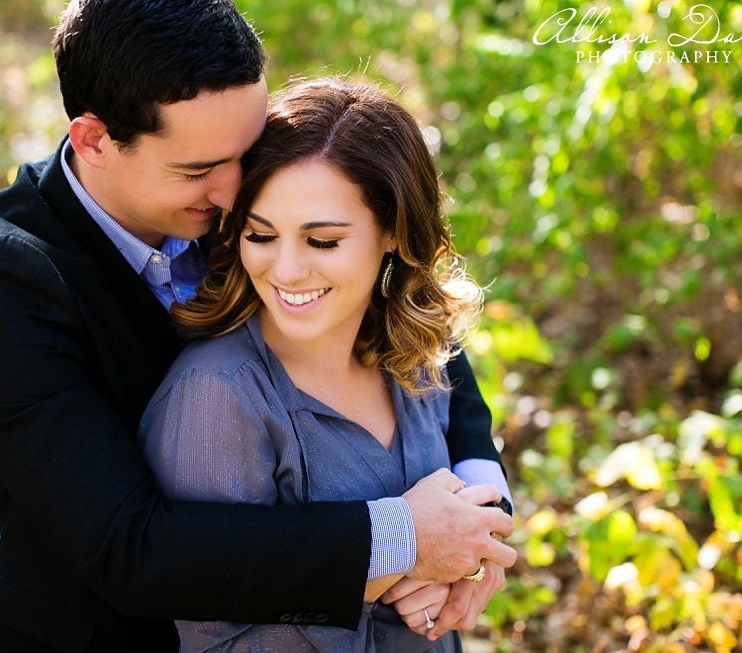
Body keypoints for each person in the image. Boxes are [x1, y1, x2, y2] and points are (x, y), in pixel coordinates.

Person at [0, 2, 515, 652]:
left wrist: (478, 516)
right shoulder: (6, 284)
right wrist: (406, 540)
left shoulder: (225, 163)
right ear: (94, 139)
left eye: (244, 152)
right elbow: (132, 549)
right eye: (197, 170)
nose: (236, 190)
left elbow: (405, 313)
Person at [140, 78, 500, 653]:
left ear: (391, 233)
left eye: (323, 241)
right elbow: (207, 629)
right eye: (261, 234)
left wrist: (471, 564)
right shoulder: (218, 394)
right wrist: (407, 565)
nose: (285, 270)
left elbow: (472, 486)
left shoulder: (416, 356)